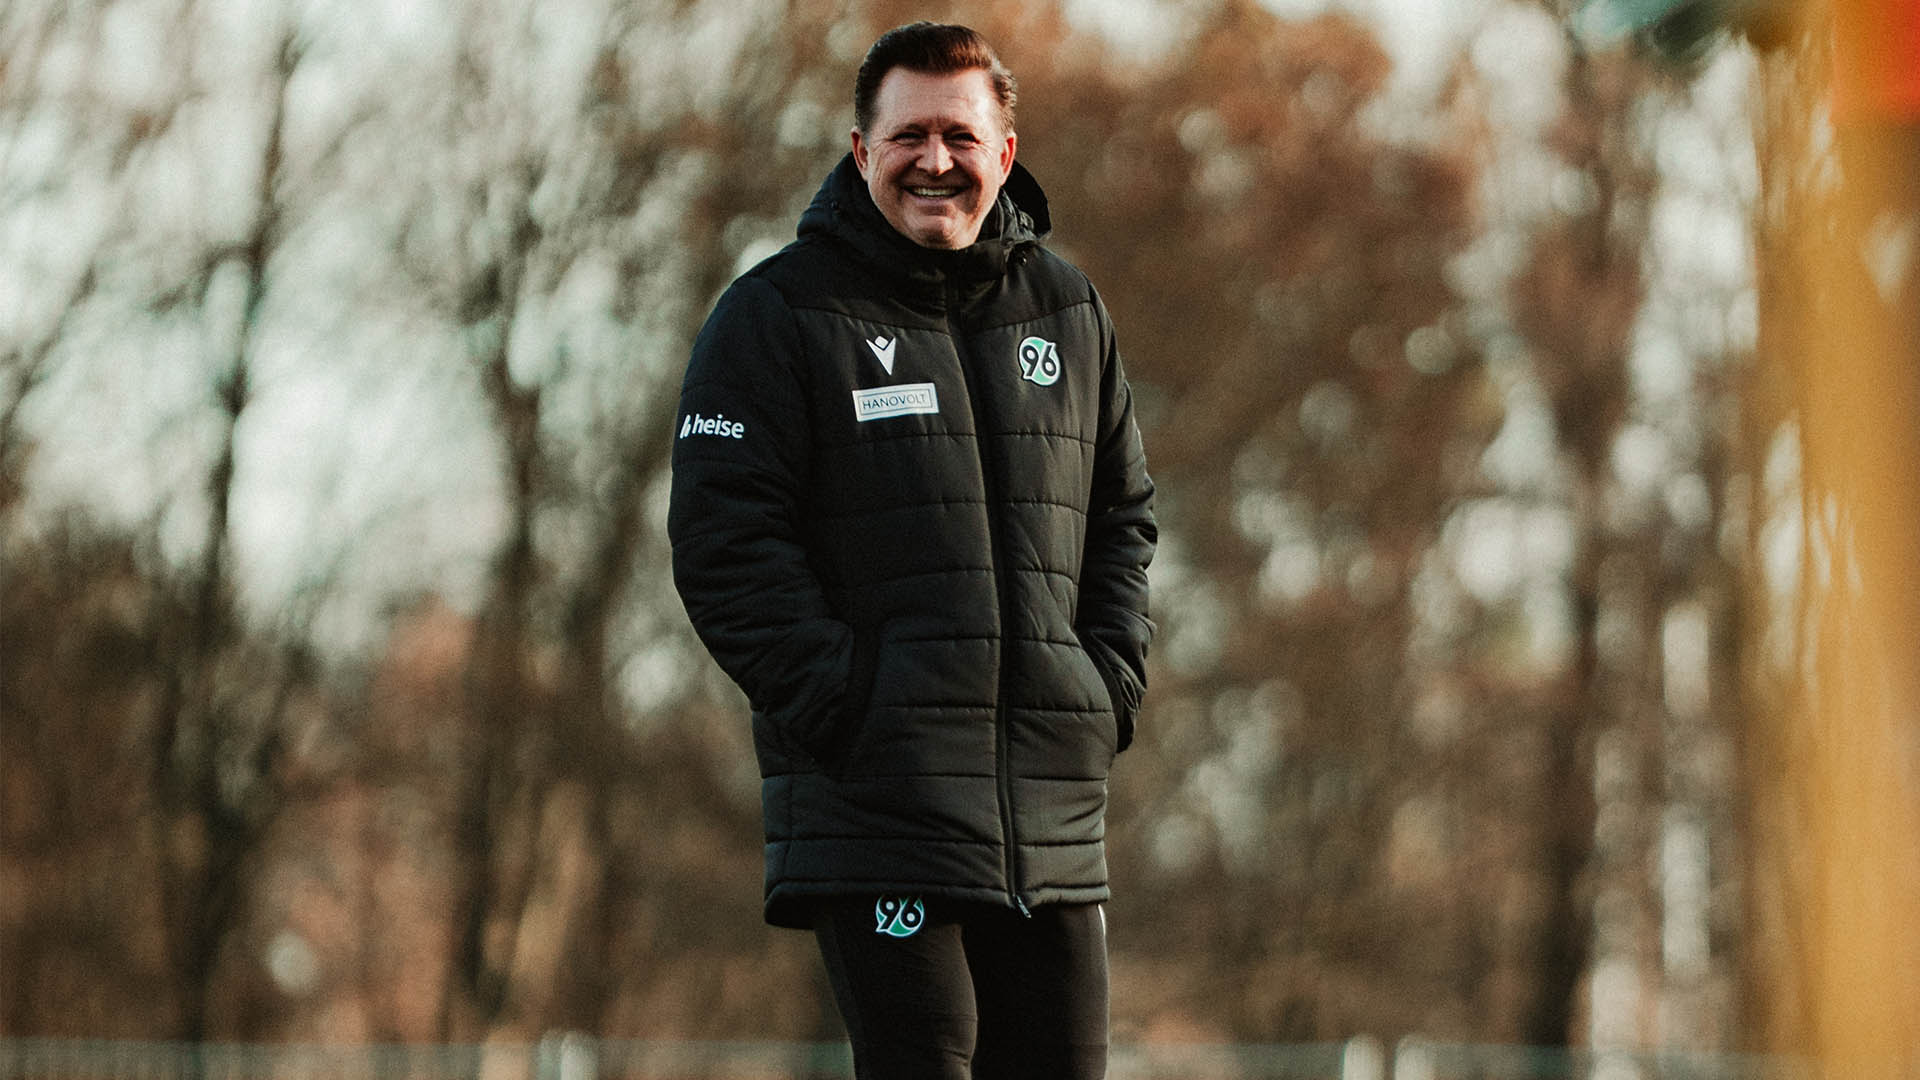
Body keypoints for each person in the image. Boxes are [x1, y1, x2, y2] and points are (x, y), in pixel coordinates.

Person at [668, 21, 1155, 1080]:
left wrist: (1105, 686)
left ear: (1005, 154)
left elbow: (1124, 518)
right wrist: (853, 706)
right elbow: (722, 545)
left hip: (1052, 815)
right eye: (909, 136)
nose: (936, 160)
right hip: (881, 811)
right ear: (861, 151)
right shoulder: (778, 314)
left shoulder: (1070, 311)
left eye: (961, 137)